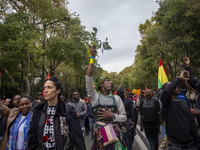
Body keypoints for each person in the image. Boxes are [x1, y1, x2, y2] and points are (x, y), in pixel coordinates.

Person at [28, 76, 86, 150]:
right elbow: (32, 137)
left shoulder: (67, 109)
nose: (45, 90)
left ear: (58, 90)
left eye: (49, 87)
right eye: (44, 88)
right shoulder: (39, 110)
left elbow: (78, 138)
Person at [86, 46, 127, 149]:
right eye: (107, 81)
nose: (111, 82)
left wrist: (112, 115)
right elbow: (88, 78)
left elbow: (124, 117)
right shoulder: (95, 96)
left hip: (115, 135)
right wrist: (92, 57)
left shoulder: (116, 98)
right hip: (101, 136)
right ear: (101, 85)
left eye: (111, 81)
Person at [160, 71, 200, 149]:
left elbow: (192, 123)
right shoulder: (166, 104)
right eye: (174, 86)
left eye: (177, 86)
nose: (177, 87)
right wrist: (178, 78)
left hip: (190, 144)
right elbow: (166, 92)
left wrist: (198, 141)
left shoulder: (183, 102)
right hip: (175, 145)